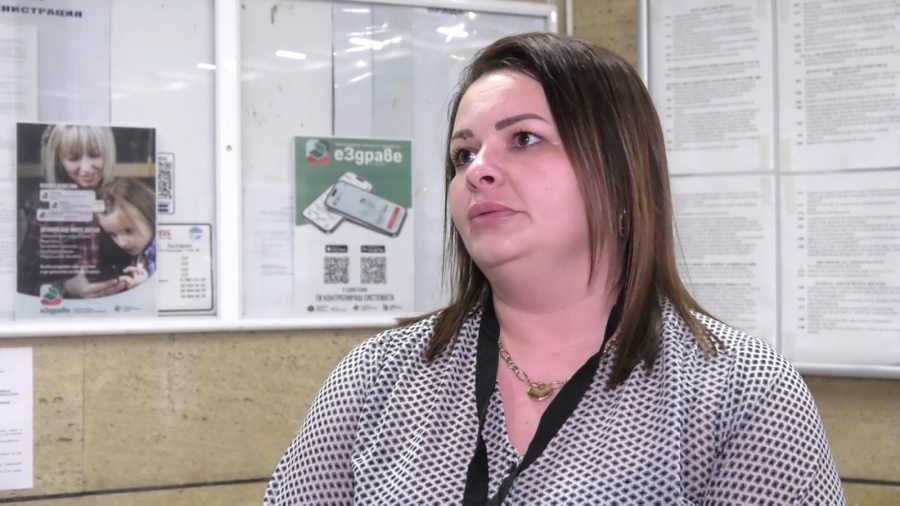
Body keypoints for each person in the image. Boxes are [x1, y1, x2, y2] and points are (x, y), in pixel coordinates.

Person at [264, 33, 845, 504]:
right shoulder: (379, 376)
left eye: (524, 139)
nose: (477, 171)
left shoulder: (740, 390)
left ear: (620, 175)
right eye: (463, 154)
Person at [17, 124, 130, 299]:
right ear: (59, 161)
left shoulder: (127, 200)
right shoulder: (47, 210)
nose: (86, 168)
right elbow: (23, 286)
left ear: (108, 153)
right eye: (73, 158)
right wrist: (67, 288)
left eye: (95, 155)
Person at [95, 178, 157, 290]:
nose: (121, 243)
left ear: (150, 216)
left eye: (129, 231)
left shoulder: (167, 252)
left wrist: (146, 286)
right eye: (112, 234)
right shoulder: (139, 253)